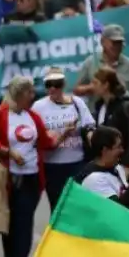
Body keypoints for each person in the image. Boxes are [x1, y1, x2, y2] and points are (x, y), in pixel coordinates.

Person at [0, 76, 61, 257]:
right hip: (9, 177)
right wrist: (9, 153)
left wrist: (63, 135)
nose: (33, 96)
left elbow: (44, 141)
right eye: (29, 92)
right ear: (18, 94)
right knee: (10, 219)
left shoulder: (32, 116)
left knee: (24, 219)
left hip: (32, 176)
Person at [33, 66, 95, 210]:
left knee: (77, 207)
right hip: (52, 166)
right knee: (57, 207)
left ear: (64, 84)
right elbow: (35, 135)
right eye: (49, 85)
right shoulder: (38, 107)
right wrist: (60, 133)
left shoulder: (76, 102)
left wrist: (92, 138)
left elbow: (89, 125)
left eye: (57, 84)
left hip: (76, 163)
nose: (53, 89)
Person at [76, 126, 129, 207]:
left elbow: (127, 196)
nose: (122, 150)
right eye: (119, 147)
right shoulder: (94, 179)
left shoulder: (116, 167)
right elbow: (118, 209)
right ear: (105, 150)